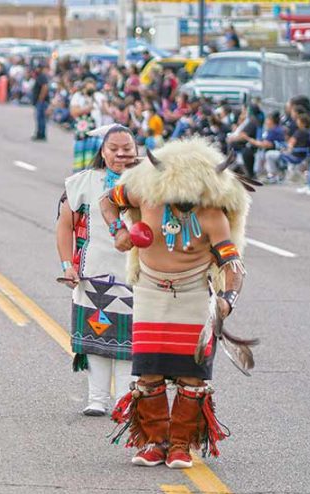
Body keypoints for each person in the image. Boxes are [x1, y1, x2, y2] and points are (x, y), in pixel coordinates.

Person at [100, 139, 251, 468]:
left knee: (192, 377)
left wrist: (228, 299)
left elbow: (233, 265)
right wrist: (118, 231)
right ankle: (155, 440)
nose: (183, 202)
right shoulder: (145, 194)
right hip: (150, 292)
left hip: (194, 293)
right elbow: (107, 201)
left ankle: (181, 444)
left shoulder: (213, 216)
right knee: (148, 374)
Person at [56, 125, 138, 416]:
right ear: (102, 153)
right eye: (113, 149)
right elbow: (65, 224)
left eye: (126, 148)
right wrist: (68, 265)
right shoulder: (83, 182)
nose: (120, 154)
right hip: (93, 272)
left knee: (131, 342)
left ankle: (124, 401)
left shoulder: (149, 184)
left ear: (136, 151)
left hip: (136, 276)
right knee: (95, 339)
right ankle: (97, 398)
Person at [32, 64, 50, 141]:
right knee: (40, 118)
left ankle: (41, 134)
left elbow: (45, 87)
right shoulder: (41, 76)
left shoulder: (42, 76)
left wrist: (40, 99)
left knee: (40, 118)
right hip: (41, 101)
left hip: (42, 102)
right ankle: (40, 133)